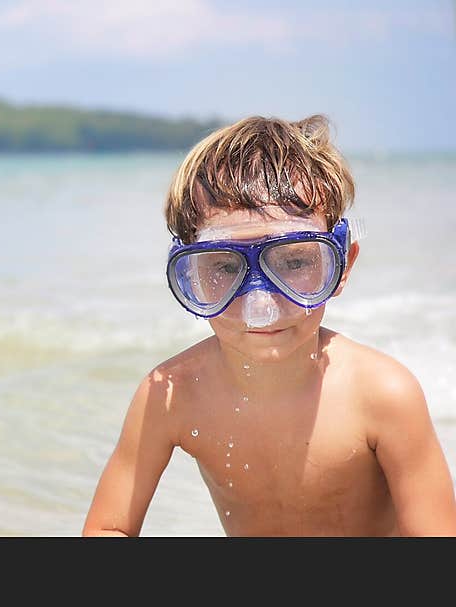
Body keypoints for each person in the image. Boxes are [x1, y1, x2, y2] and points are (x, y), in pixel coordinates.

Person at [82, 115, 456, 536]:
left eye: (294, 262)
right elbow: (108, 529)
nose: (260, 303)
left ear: (342, 266)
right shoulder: (171, 395)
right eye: (224, 267)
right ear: (190, 277)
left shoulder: (382, 396)